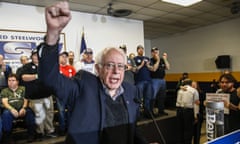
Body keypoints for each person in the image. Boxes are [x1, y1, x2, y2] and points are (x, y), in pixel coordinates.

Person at [37, 1, 148, 144]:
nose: (116, 71)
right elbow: (50, 79)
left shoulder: (131, 91)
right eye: (110, 65)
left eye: (120, 66)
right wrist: (52, 34)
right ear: (98, 69)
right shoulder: (83, 86)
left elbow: (133, 130)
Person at [17, 49, 56, 140]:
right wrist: (37, 76)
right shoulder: (27, 66)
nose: (37, 57)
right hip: (35, 96)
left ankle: (50, 131)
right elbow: (23, 77)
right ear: (32, 56)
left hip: (47, 94)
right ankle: (40, 133)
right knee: (39, 115)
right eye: (35, 55)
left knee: (49, 114)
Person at [1, 74, 35, 143]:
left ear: (17, 82)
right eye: (9, 80)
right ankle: (8, 137)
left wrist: (23, 108)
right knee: (6, 114)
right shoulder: (4, 91)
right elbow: (5, 103)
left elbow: (26, 100)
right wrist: (12, 109)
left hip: (22, 108)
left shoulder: (23, 89)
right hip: (10, 109)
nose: (11, 82)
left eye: (13, 80)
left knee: (29, 112)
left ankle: (31, 134)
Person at [57, 51, 76, 135]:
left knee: (70, 111)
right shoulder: (56, 68)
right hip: (60, 94)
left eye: (65, 57)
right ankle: (62, 129)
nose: (64, 58)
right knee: (61, 112)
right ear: (59, 58)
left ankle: (70, 128)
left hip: (70, 94)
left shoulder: (71, 68)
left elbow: (75, 81)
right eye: (62, 56)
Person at [176, 79, 199, 144]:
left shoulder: (180, 90)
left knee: (180, 129)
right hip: (188, 111)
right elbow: (196, 104)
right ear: (191, 83)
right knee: (188, 130)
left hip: (179, 110)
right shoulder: (194, 91)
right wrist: (196, 115)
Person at [149, 47, 170, 116]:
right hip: (154, 80)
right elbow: (154, 69)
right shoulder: (150, 60)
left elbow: (168, 67)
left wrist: (165, 59)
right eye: (154, 52)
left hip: (162, 80)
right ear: (152, 53)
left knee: (162, 96)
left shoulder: (162, 60)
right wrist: (157, 61)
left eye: (157, 52)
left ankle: (161, 110)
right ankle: (151, 111)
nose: (156, 53)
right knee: (153, 96)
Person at [134, 45, 153, 118]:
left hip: (148, 81)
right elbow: (135, 69)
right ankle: (138, 115)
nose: (141, 50)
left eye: (142, 49)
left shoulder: (147, 58)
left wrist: (148, 65)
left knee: (147, 98)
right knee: (138, 98)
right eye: (139, 49)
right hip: (139, 81)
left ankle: (147, 113)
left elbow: (152, 68)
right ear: (137, 50)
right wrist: (141, 65)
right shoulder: (135, 59)